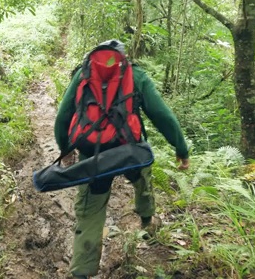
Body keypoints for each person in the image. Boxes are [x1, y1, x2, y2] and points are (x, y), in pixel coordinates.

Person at [53, 39, 190, 279]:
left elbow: (62, 118)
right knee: (143, 176)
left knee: (91, 210)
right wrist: (181, 148)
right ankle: (147, 220)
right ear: (123, 58)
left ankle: (81, 272)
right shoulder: (135, 74)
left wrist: (66, 150)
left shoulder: (83, 75)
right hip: (129, 151)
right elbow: (161, 115)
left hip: (92, 155)